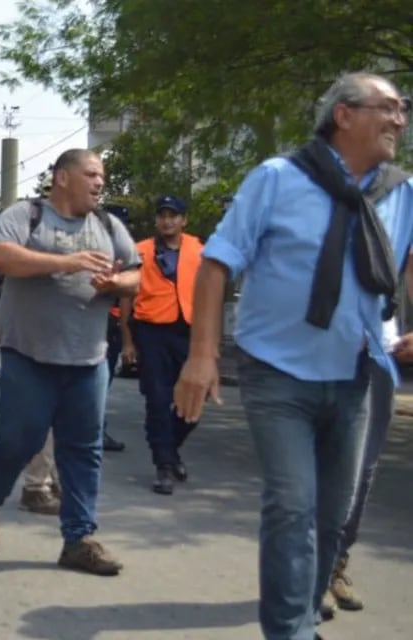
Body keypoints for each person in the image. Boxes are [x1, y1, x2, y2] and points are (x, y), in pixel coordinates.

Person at [174, 72, 412, 640]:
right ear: (344, 115)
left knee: (333, 518)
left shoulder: (401, 191)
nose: (400, 120)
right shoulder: (276, 180)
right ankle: (290, 632)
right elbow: (217, 264)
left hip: (356, 372)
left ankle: (303, 616)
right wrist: (202, 356)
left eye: (403, 110)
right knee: (292, 506)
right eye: (389, 107)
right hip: (277, 372)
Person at [0, 148, 139, 576]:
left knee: (83, 450)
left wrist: (116, 282)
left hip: (88, 359)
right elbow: (0, 257)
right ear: (63, 177)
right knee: (17, 441)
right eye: (93, 174)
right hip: (29, 355)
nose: (100, 182)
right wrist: (68, 262)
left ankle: (78, 539)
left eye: (102, 176)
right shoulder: (26, 216)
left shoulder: (108, 225)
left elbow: (137, 274)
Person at [120, 195, 203, 495]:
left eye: (173, 215)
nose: (167, 221)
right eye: (162, 215)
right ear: (156, 220)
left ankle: (169, 447)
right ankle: (164, 466)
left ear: (184, 220)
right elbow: (126, 298)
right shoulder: (140, 251)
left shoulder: (198, 250)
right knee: (157, 398)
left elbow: (209, 292)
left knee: (196, 396)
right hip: (150, 332)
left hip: (188, 331)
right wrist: (128, 341)